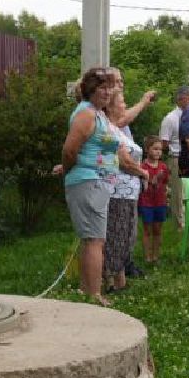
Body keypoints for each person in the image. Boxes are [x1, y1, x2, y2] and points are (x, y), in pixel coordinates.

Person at [60, 67, 119, 306]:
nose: (107, 92)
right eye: (101, 88)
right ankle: (94, 294)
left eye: (109, 87)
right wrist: (66, 169)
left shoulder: (98, 113)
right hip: (87, 182)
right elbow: (70, 150)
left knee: (92, 239)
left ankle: (86, 290)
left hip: (97, 182)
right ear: (89, 90)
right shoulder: (86, 114)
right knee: (94, 239)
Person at [103, 91, 145, 293]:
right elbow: (125, 161)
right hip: (117, 192)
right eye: (121, 102)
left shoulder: (119, 129)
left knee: (127, 235)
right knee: (117, 235)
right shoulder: (109, 129)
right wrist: (143, 172)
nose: (125, 105)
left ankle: (119, 279)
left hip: (128, 192)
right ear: (110, 107)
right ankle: (110, 280)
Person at [158, 86, 189, 229]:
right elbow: (164, 143)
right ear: (180, 99)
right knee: (178, 192)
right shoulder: (171, 118)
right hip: (177, 157)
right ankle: (180, 224)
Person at [137, 137, 171, 263]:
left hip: (160, 202)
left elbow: (166, 183)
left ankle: (156, 256)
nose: (158, 152)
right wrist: (151, 180)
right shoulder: (142, 166)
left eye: (160, 150)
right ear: (147, 150)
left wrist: (165, 192)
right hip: (146, 202)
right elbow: (140, 184)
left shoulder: (163, 166)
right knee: (147, 230)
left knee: (157, 230)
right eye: (155, 149)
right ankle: (147, 257)